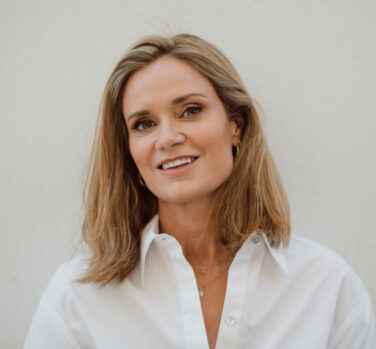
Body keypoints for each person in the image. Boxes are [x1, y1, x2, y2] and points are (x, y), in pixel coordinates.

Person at [24, 33, 375, 349]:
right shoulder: (75, 296)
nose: (168, 138)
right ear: (129, 152)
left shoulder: (327, 285)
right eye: (144, 124)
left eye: (190, 111)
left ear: (235, 126)